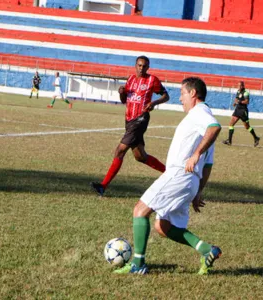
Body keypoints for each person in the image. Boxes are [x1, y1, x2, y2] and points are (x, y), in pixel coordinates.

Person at [114, 77, 222, 275]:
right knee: (163, 226)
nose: (180, 98)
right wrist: (198, 190)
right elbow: (208, 164)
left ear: (193, 94)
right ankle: (207, 250)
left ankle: (138, 265)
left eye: (182, 93)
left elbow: (215, 128)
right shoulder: (202, 119)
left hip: (180, 173)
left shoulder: (200, 113)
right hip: (190, 180)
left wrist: (195, 154)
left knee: (140, 210)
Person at [90, 56, 169, 196]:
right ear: (135, 66)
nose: (141, 68)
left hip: (141, 119)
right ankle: (170, 173)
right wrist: (122, 93)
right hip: (129, 120)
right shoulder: (131, 79)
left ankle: (103, 186)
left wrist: (154, 103)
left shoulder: (152, 80)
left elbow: (166, 96)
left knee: (120, 151)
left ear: (148, 67)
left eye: (144, 66)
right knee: (140, 156)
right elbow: (124, 100)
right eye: (139, 65)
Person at [222, 81, 260, 147]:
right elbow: (237, 98)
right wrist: (235, 102)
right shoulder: (238, 91)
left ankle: (256, 138)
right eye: (238, 85)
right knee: (231, 124)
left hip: (243, 111)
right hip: (237, 110)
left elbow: (247, 101)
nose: (238, 86)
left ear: (242, 86)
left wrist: (239, 101)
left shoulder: (245, 93)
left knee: (247, 127)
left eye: (239, 85)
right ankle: (229, 141)